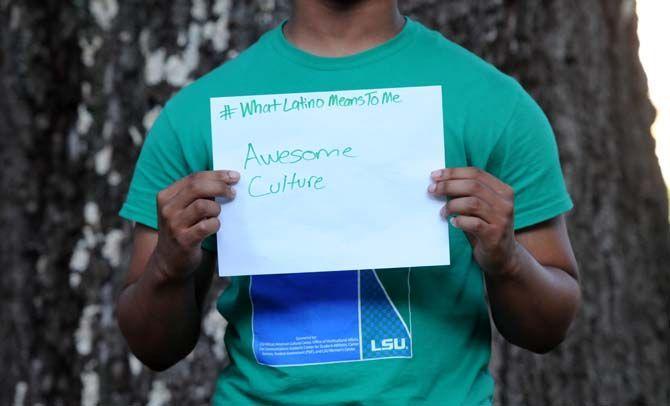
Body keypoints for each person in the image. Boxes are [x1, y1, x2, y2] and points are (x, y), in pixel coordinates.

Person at [117, 0, 581, 404]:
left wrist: (508, 260)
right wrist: (168, 266)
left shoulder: (495, 106)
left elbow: (548, 329)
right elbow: (153, 347)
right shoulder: (195, 116)